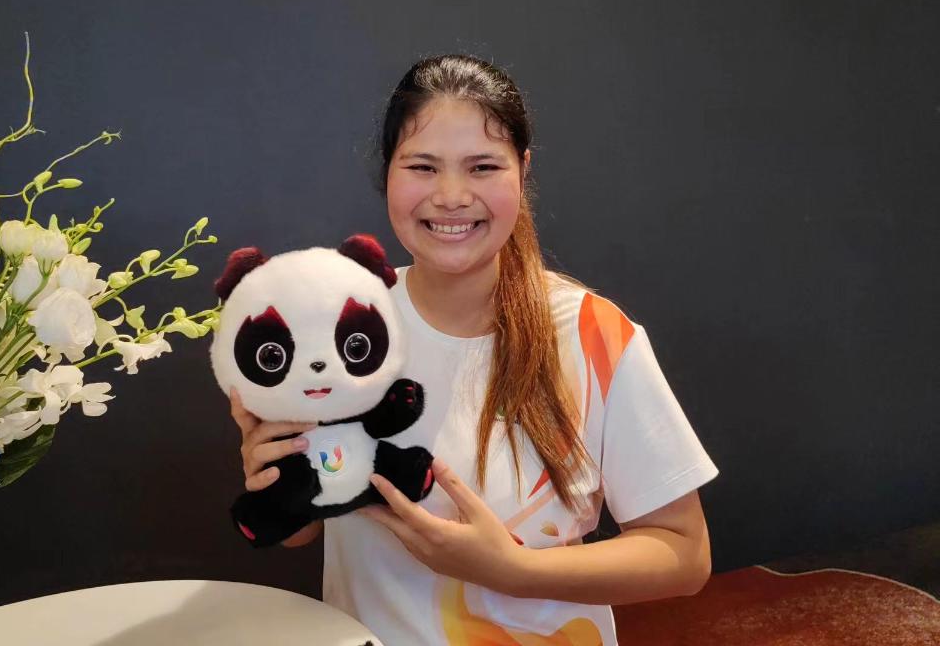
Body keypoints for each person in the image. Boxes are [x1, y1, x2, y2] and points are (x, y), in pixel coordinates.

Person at [229, 54, 719, 645]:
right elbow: (302, 530)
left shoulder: (594, 335)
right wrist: (273, 471)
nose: (452, 196)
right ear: (388, 172)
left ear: (522, 170)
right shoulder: (334, 325)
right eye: (423, 167)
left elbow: (683, 552)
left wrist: (513, 570)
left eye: (483, 166)